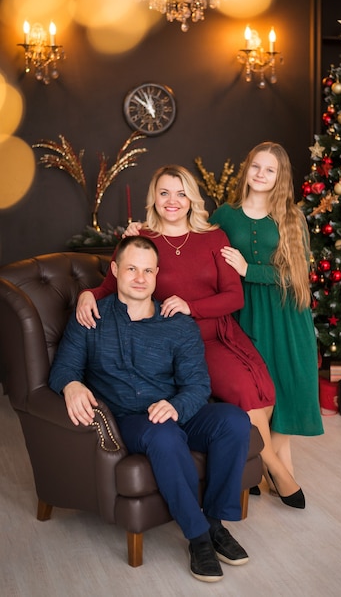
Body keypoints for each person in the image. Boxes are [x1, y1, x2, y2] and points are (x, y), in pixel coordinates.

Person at [76, 165, 305, 508]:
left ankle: (256, 467)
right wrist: (87, 295)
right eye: (164, 192)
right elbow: (111, 286)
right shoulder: (140, 239)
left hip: (220, 332)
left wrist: (190, 305)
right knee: (243, 392)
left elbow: (234, 297)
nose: (173, 200)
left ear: (191, 199)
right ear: (154, 197)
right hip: (178, 342)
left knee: (262, 391)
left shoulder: (213, 236)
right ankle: (273, 467)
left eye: (181, 193)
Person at [50, 236, 251, 583]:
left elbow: (198, 386)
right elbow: (63, 369)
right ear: (115, 270)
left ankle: (215, 522)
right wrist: (72, 385)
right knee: (163, 435)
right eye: (131, 269)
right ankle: (199, 538)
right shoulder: (91, 317)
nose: (139, 278)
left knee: (234, 420)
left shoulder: (177, 322)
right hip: (131, 419)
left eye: (147, 270)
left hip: (178, 410)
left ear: (157, 274)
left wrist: (175, 406)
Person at [210, 142, 324, 495]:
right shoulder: (224, 215)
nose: (260, 174)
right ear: (246, 169)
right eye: (256, 167)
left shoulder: (292, 217)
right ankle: (272, 470)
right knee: (259, 390)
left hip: (288, 315)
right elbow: (195, 244)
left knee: (289, 385)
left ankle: (265, 467)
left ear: (280, 177)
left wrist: (248, 268)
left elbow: (297, 275)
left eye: (269, 170)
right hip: (246, 315)